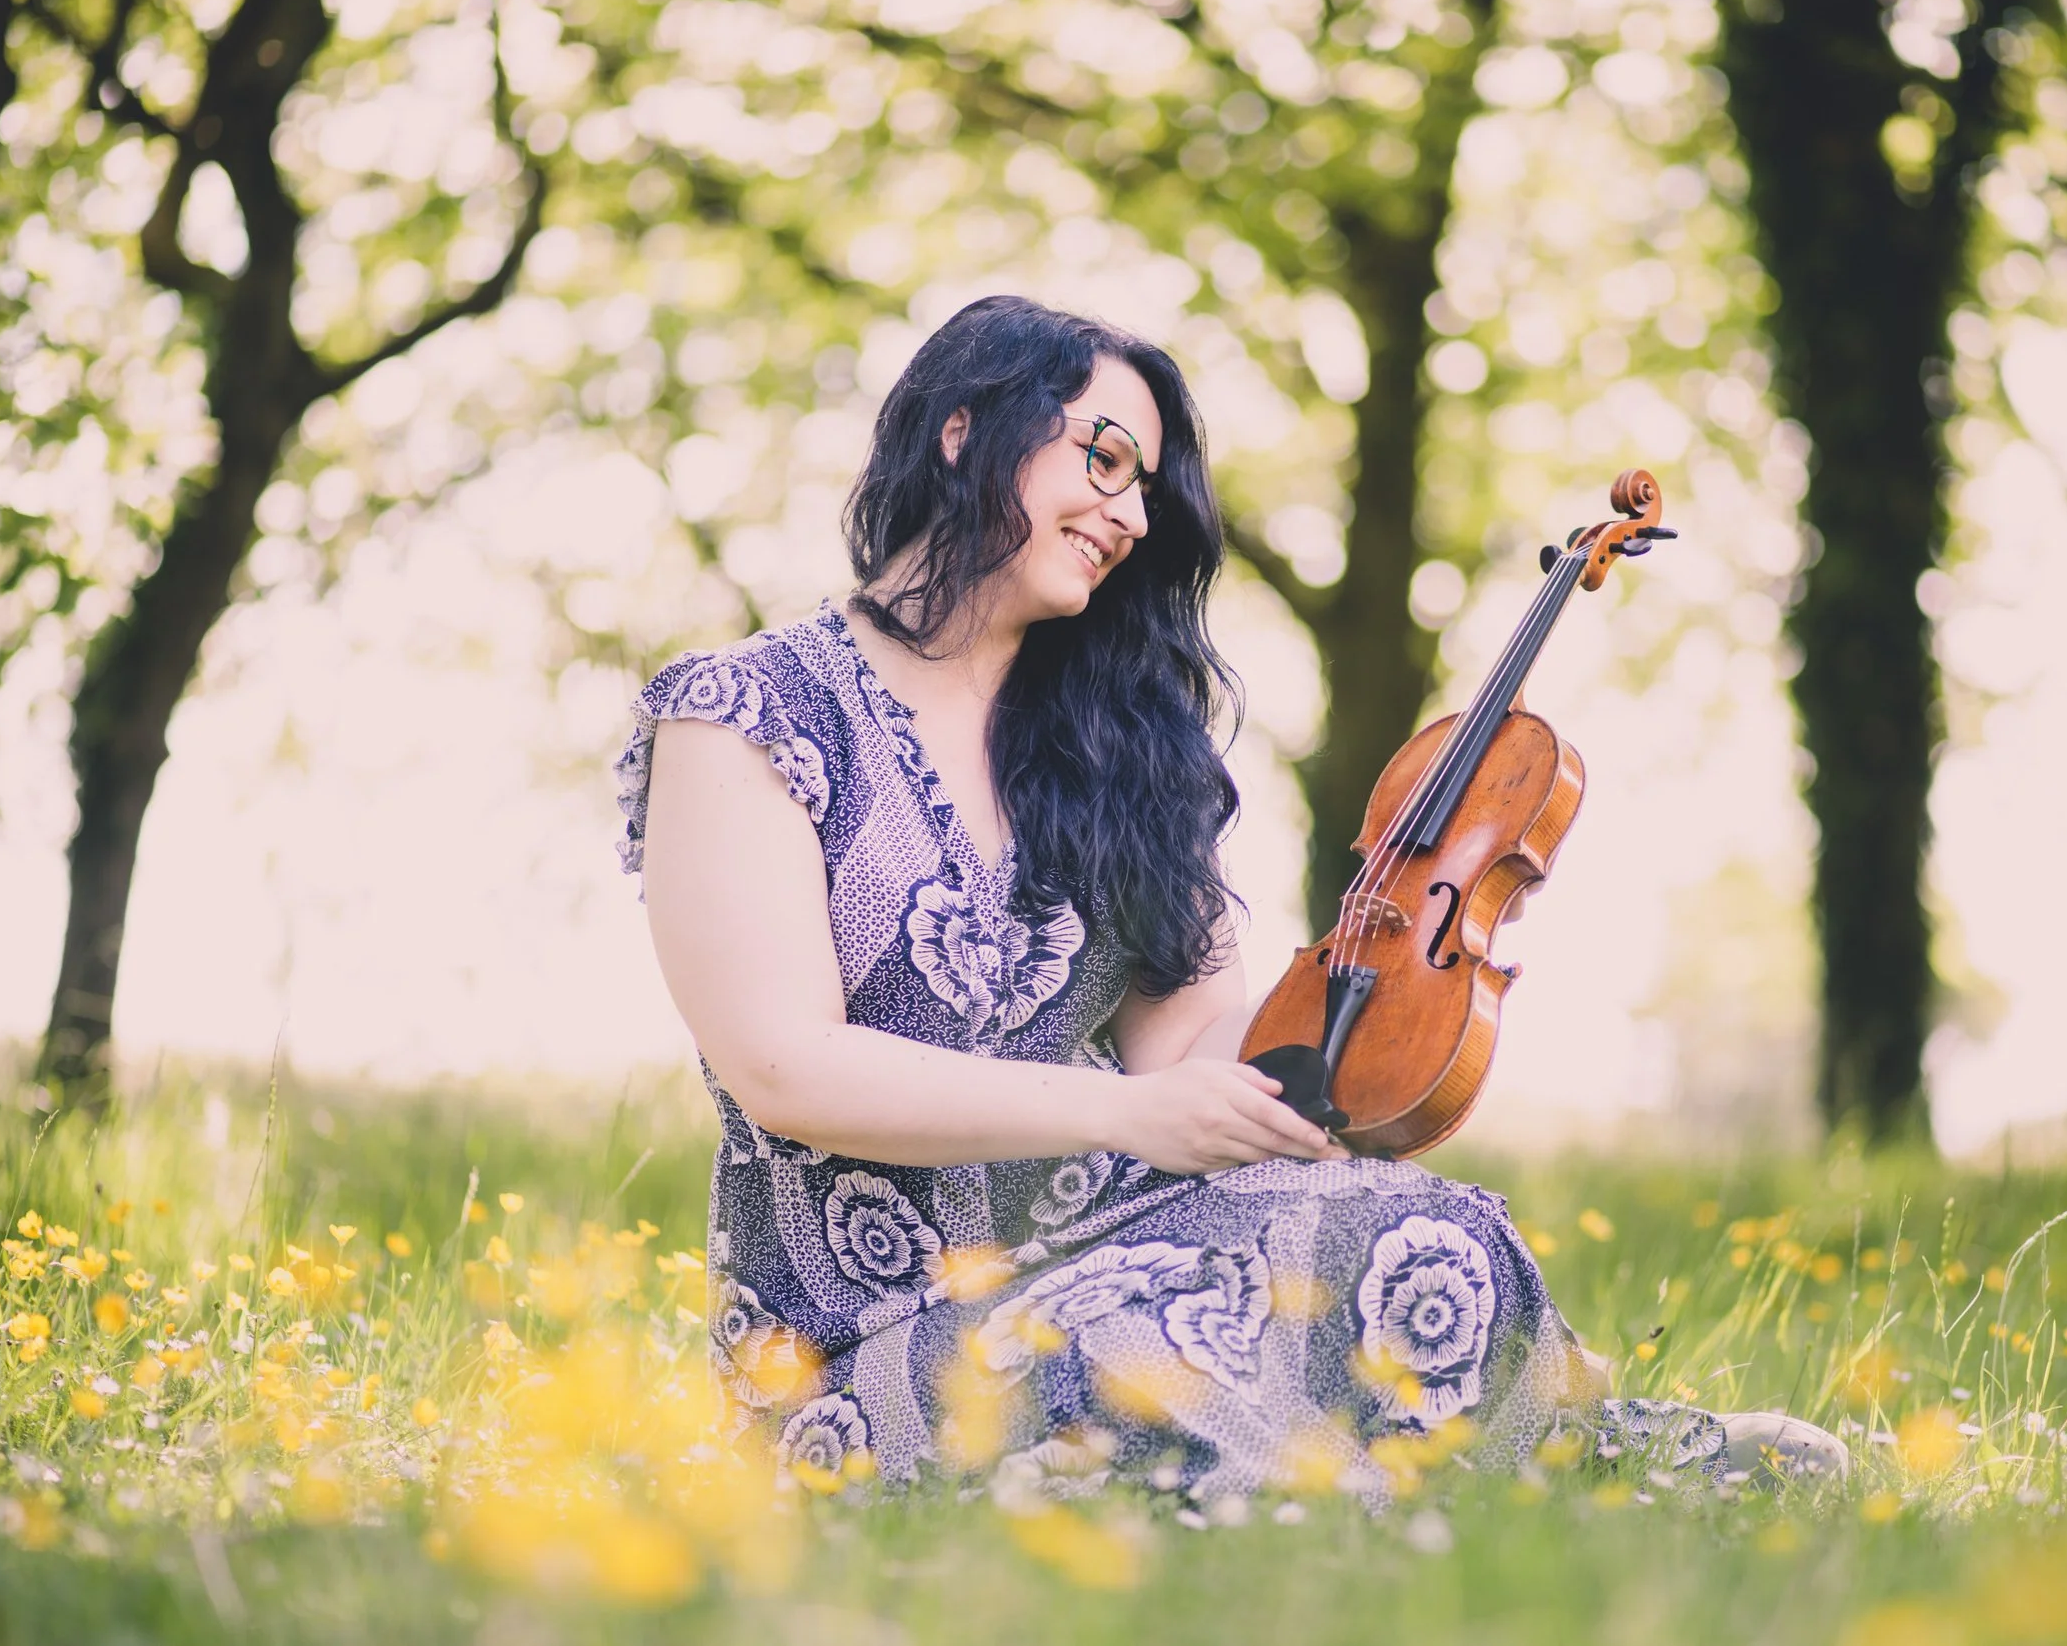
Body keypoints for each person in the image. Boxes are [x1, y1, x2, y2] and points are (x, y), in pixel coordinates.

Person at [615, 295, 1844, 1507]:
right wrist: (1133, 1115)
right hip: (862, 1340)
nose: (1127, 512)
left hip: (1116, 1242)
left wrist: (1343, 1044)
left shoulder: (1112, 742)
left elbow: (1200, 1045)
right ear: (961, 430)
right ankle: (1440, 1476)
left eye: (1146, 486)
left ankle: (1574, 1461)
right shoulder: (744, 713)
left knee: (1427, 1232)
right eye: (1102, 456)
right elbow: (785, 1067)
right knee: (1175, 1340)